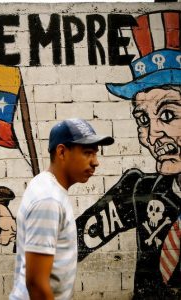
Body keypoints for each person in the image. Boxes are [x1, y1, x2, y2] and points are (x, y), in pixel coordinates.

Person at [75, 10, 181, 300]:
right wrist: (10, 235)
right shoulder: (140, 190)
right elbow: (75, 241)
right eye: (143, 120)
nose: (151, 135)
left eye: (168, 114)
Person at [9, 118, 114, 300]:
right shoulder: (49, 200)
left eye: (95, 154)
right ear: (62, 152)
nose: (95, 162)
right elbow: (36, 284)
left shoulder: (45, 184)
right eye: (88, 153)